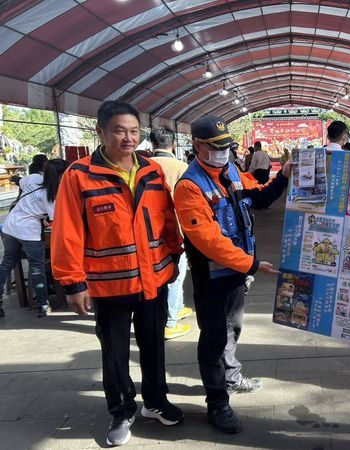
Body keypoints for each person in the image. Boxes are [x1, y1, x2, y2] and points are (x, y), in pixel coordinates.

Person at [51, 101, 184, 447]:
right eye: (120, 131)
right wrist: (73, 283)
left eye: (134, 131)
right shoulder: (78, 176)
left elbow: (167, 220)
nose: (128, 138)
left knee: (154, 347)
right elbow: (67, 232)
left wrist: (173, 257)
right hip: (109, 286)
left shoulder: (152, 172)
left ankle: (155, 401)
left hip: (153, 281)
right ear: (100, 131)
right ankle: (122, 411)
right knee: (115, 354)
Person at [173, 116, 293, 434]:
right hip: (212, 278)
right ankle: (217, 404)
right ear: (197, 146)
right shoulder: (189, 187)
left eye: (227, 146)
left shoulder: (231, 174)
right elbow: (209, 241)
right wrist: (252, 265)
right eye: (216, 147)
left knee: (233, 328)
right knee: (213, 338)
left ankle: (231, 375)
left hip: (237, 273)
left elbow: (261, 197)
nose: (223, 152)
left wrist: (284, 179)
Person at [0, 158, 69, 318]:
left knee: (6, 264)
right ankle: (43, 305)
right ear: (60, 175)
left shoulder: (33, 178)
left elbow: (19, 181)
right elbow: (56, 220)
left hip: (11, 225)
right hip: (29, 231)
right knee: (37, 267)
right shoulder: (52, 195)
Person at [150, 126, 193, 340]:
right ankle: (171, 321)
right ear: (173, 144)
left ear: (152, 144)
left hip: (149, 231)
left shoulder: (143, 166)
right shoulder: (182, 166)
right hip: (176, 229)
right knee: (176, 274)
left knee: (159, 273)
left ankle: (177, 307)